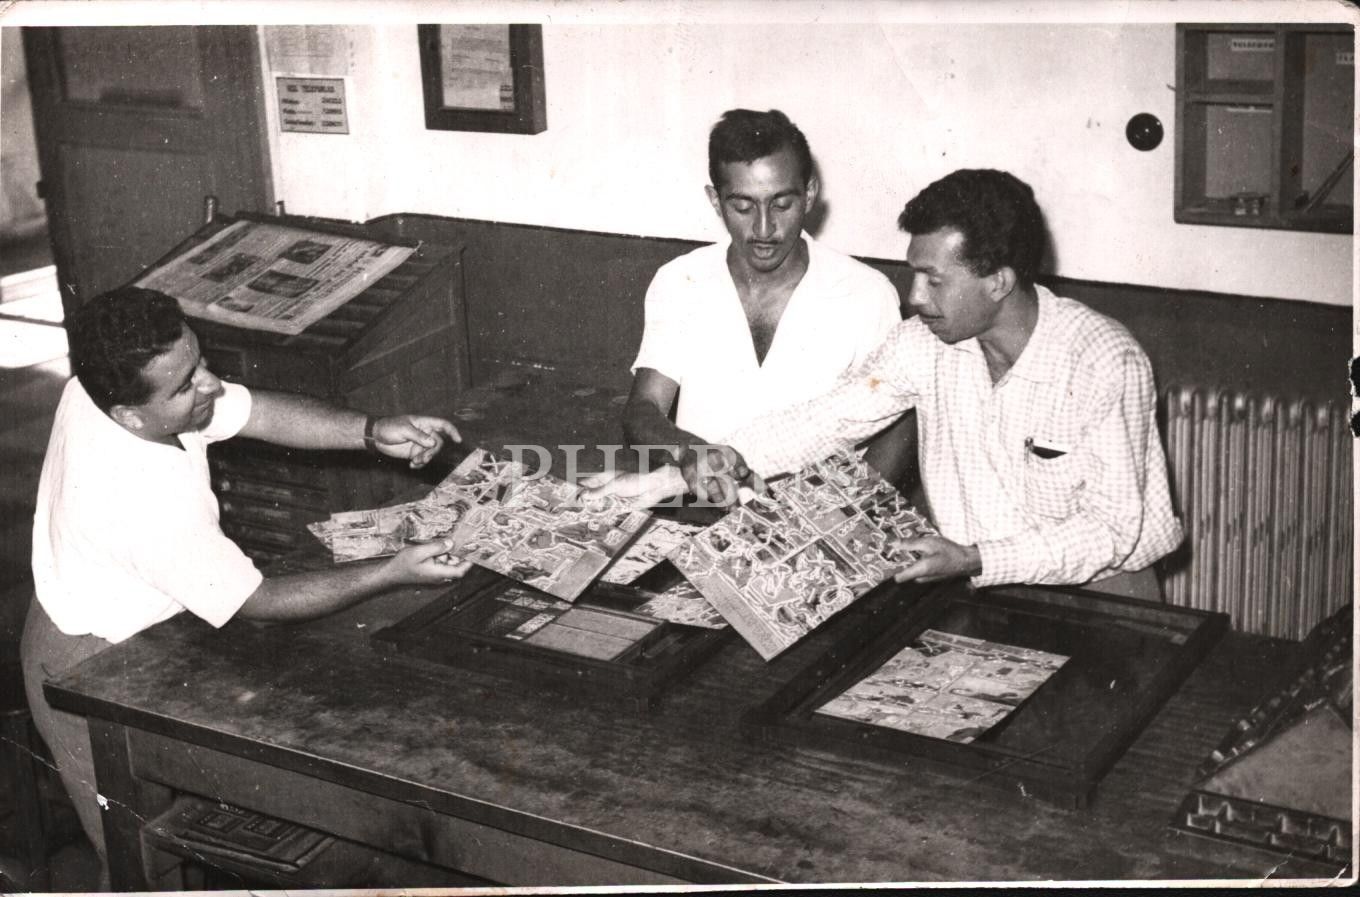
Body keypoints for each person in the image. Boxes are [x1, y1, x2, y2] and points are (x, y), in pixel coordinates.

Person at [21, 286, 472, 872]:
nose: (210, 383)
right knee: (142, 865)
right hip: (87, 662)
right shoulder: (138, 500)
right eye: (187, 386)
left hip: (146, 616)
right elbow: (255, 598)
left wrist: (372, 430)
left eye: (200, 363)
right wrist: (392, 571)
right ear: (130, 415)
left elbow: (255, 410)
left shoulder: (115, 387)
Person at [592, 169, 1183, 598]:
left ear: (999, 282)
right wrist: (670, 478)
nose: (914, 296)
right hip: (979, 582)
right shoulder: (924, 344)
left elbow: (1110, 531)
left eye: (933, 280)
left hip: (1102, 593)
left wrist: (975, 558)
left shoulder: (1102, 359)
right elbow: (822, 422)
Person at [624, 108, 906, 504]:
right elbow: (644, 407)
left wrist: (846, 513)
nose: (763, 229)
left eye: (781, 204)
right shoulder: (680, 280)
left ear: (809, 193)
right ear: (715, 201)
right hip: (700, 505)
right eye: (742, 206)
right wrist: (688, 451)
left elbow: (897, 428)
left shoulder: (867, 293)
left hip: (819, 519)